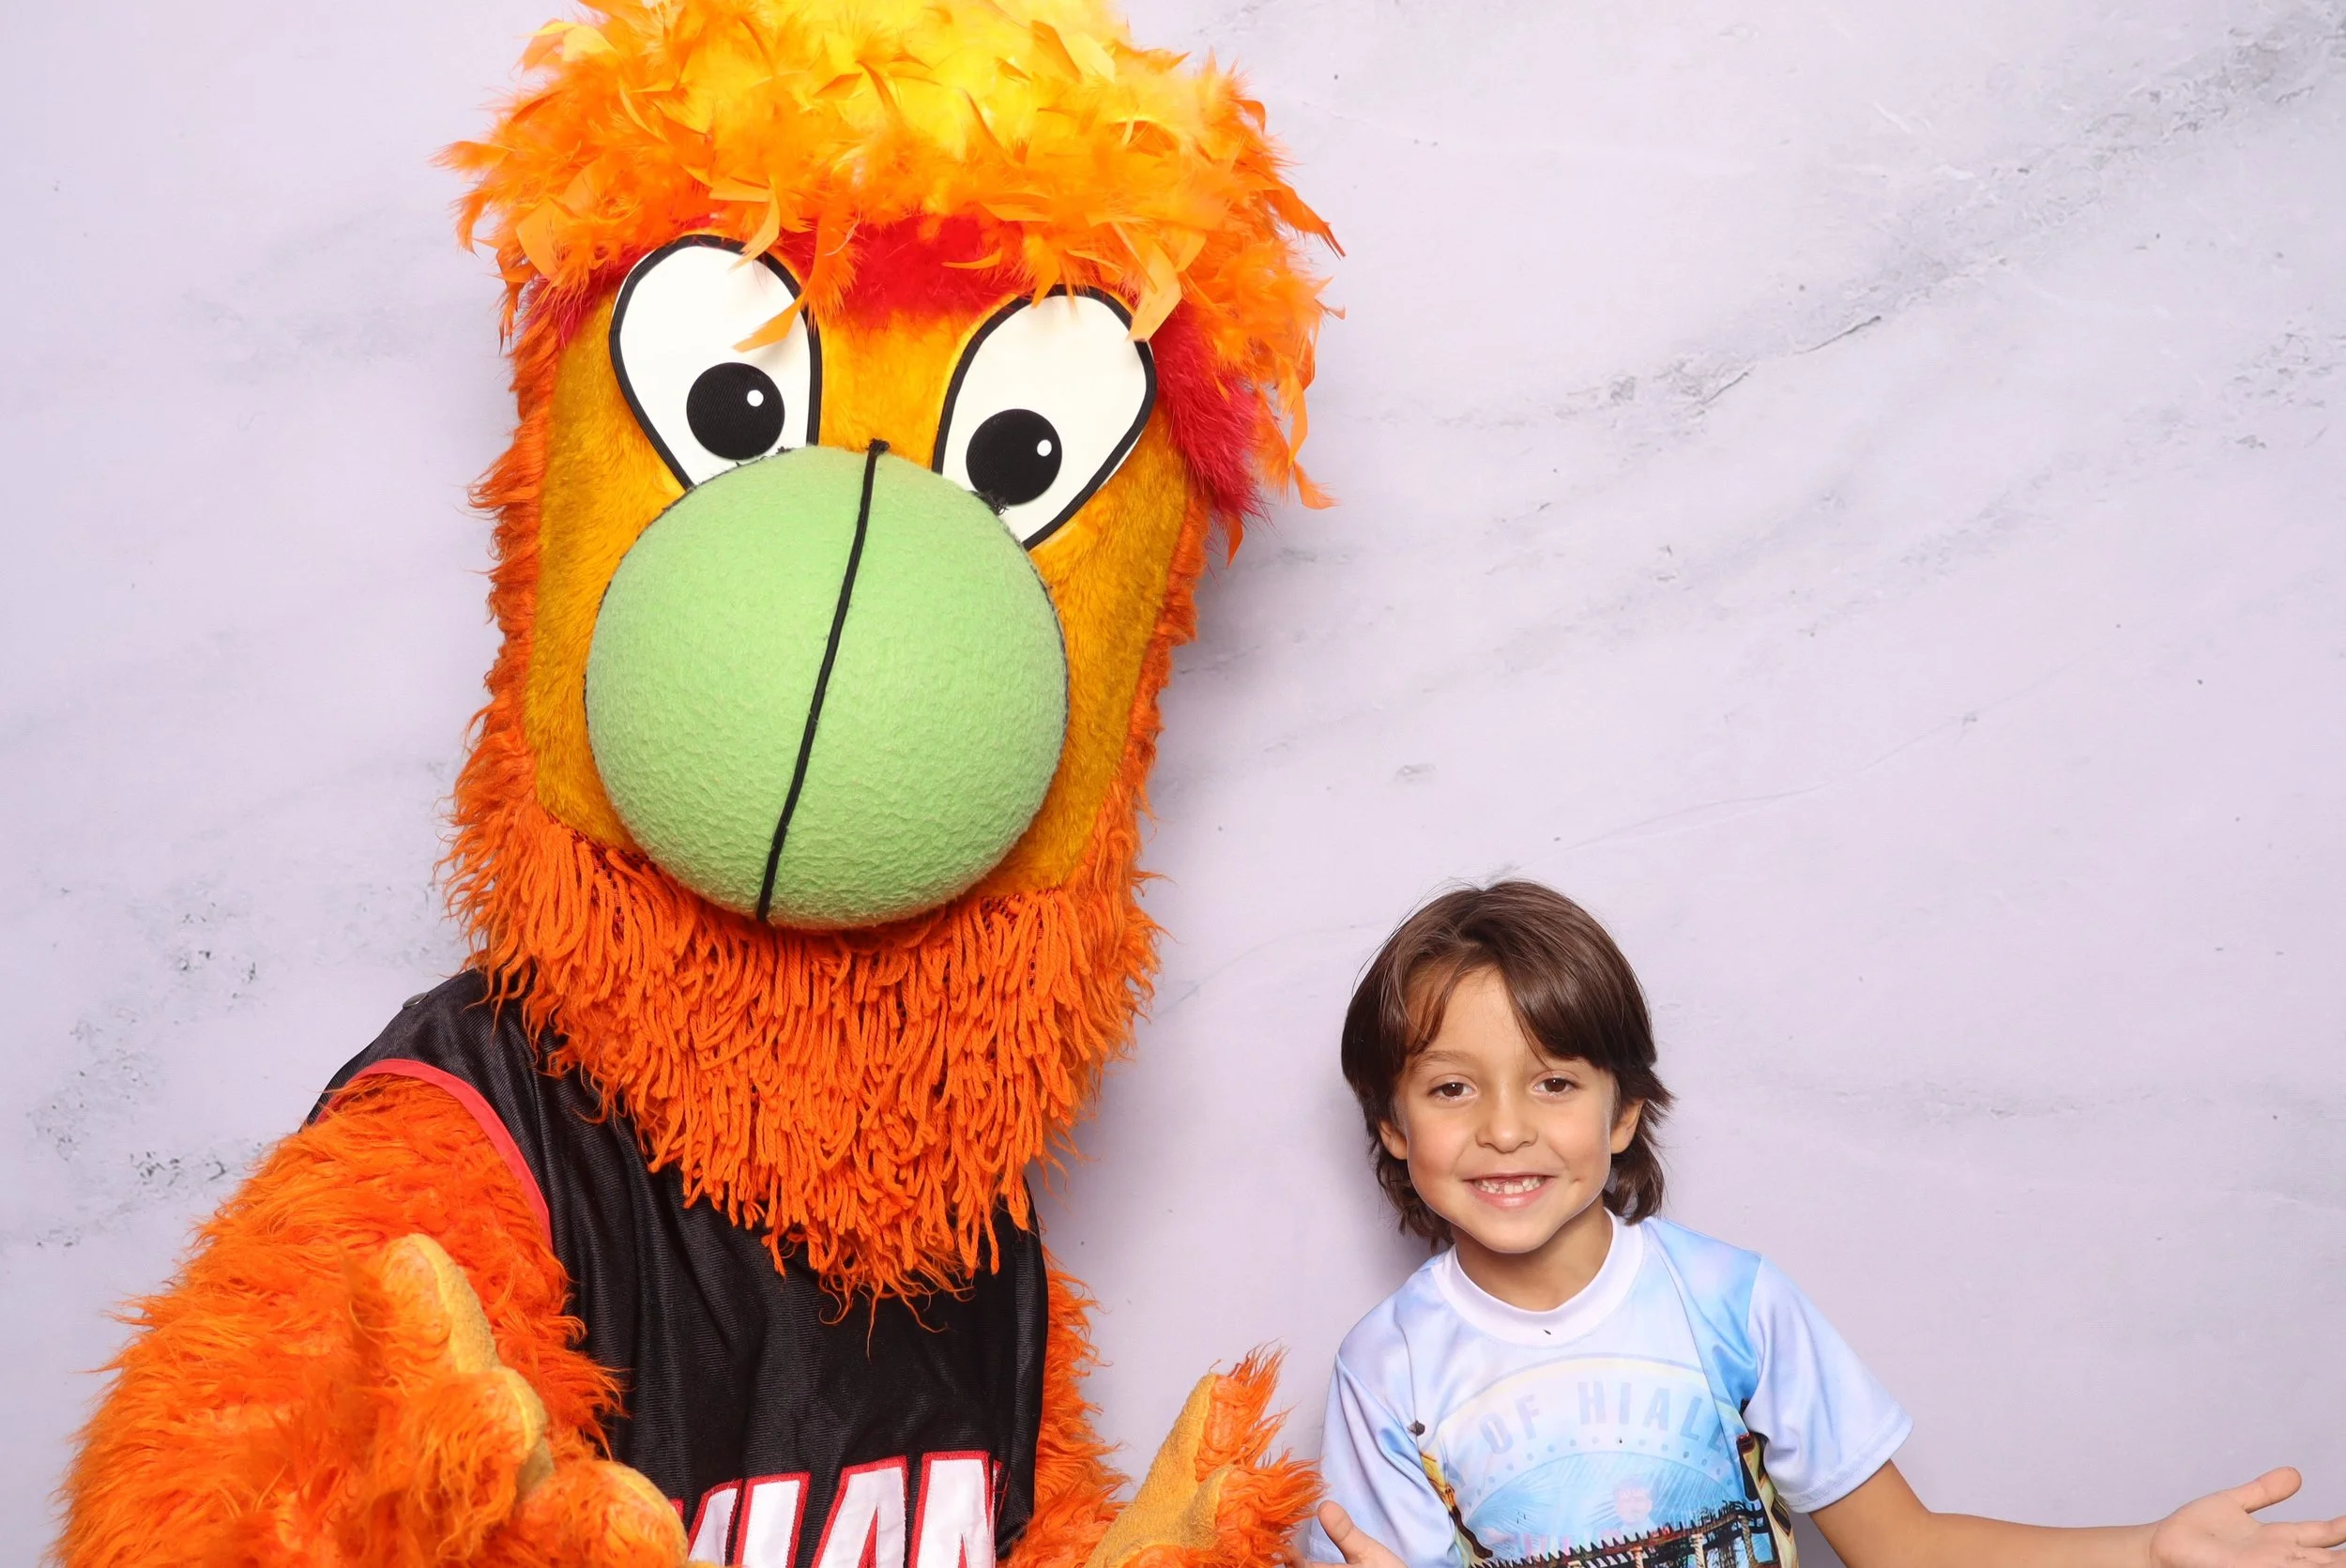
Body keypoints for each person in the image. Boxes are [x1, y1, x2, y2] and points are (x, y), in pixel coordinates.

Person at [1305, 881, 2342, 1568]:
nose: (1503, 1129)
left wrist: (2149, 1547)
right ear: (1391, 1126)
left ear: (1623, 1111)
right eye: (1450, 1089)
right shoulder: (1386, 1370)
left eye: (1552, 1083)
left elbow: (1903, 1543)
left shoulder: (1728, 1302)